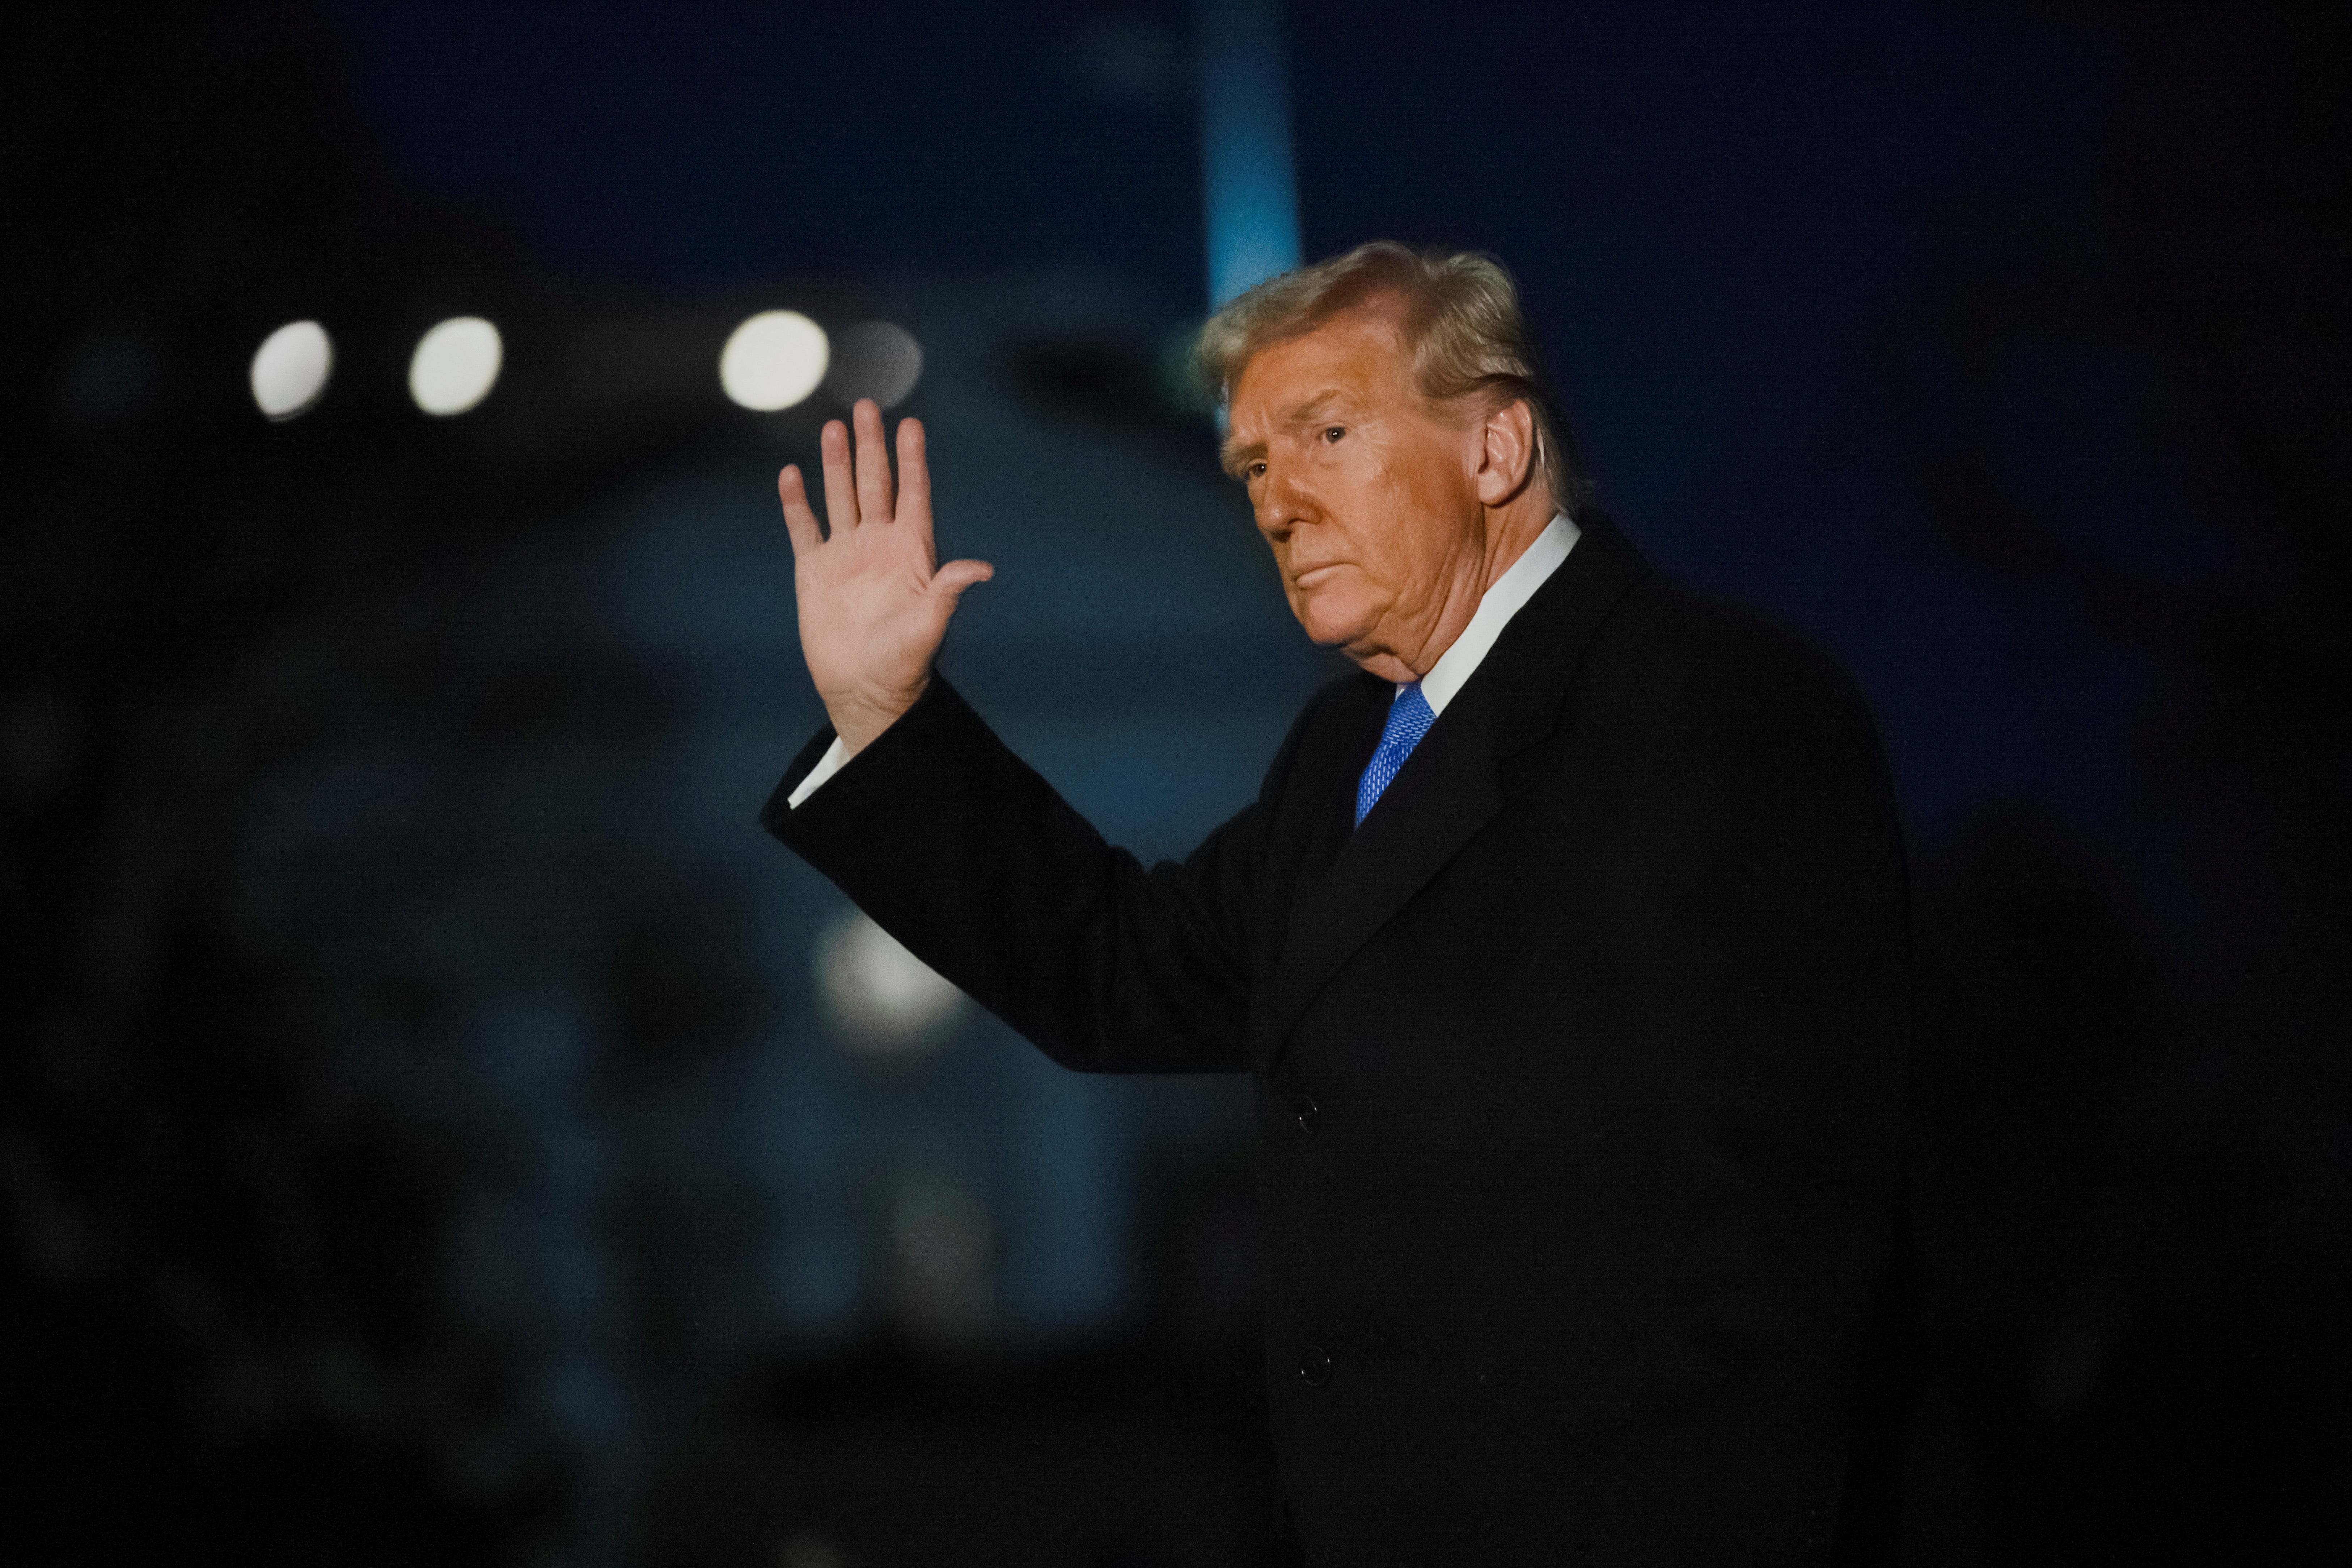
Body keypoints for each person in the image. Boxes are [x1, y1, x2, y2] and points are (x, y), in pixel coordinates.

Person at [762, 243, 1911, 1565]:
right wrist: (886, 717)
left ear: (1494, 449)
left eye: (1326, 434)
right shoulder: (1344, 750)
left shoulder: (1713, 706)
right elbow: (1120, 972)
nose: (1277, 504)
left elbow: (1787, 1230)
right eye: (1252, 464)